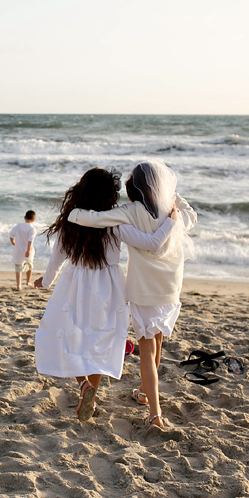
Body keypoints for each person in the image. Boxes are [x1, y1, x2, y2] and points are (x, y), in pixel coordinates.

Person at [33, 168, 180, 424]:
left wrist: (45, 282)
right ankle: (91, 393)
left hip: (75, 285)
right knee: (98, 343)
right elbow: (152, 243)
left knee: (66, 339)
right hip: (108, 288)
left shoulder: (71, 223)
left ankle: (84, 386)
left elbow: (56, 260)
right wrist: (171, 221)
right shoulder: (115, 225)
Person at [67, 160, 197, 429]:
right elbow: (191, 215)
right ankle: (142, 392)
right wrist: (173, 198)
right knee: (158, 344)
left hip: (144, 291)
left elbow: (97, 219)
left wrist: (73, 214)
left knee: (147, 352)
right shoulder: (173, 213)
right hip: (171, 290)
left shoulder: (130, 213)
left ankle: (155, 413)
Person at [8, 210, 36, 290]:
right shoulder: (32, 228)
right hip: (28, 250)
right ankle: (28, 281)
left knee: (18, 267)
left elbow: (11, 235)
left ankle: (18, 285)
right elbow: (30, 240)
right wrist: (28, 250)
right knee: (30, 265)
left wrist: (12, 241)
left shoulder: (18, 226)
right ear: (34, 219)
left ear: (24, 217)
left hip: (18, 250)